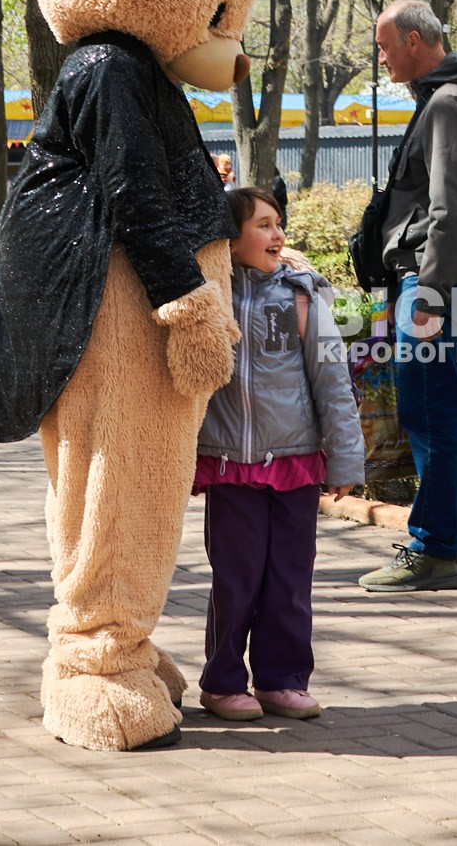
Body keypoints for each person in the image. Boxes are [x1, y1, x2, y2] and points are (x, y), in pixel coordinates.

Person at [194, 187, 365, 722]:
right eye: (263, 225)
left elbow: (333, 384)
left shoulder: (300, 298)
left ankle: (281, 680)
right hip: (230, 465)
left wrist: (344, 459)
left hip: (295, 462)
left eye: (278, 223)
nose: (278, 234)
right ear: (231, 238)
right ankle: (222, 683)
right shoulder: (208, 300)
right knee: (236, 579)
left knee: (289, 581)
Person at [359, 0, 457, 593]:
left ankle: (434, 548)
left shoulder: (447, 103)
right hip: (446, 277)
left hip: (433, 278)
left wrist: (430, 293)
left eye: (385, 46)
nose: (382, 58)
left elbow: (450, 209)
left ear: (414, 41)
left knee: (429, 413)